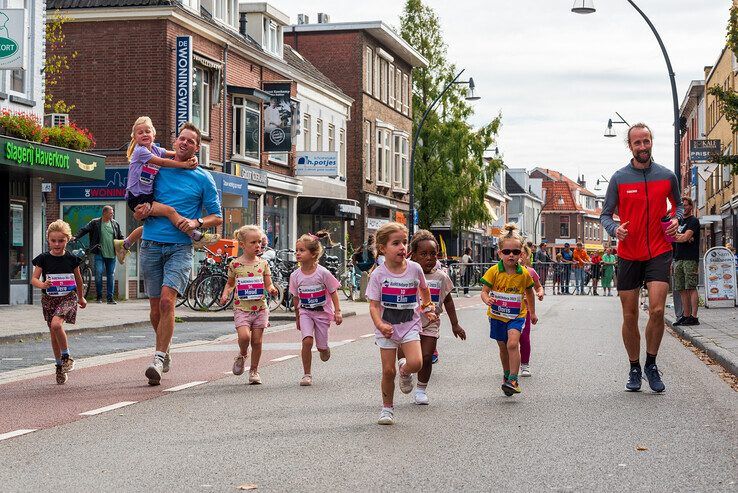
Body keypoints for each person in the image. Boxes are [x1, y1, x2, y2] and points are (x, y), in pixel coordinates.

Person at [135, 123, 224, 386]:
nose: (184, 143)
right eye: (181, 139)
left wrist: (196, 222)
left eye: (190, 141)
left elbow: (217, 217)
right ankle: (165, 348)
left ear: (197, 148)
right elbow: (139, 197)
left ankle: (159, 358)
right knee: (154, 308)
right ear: (174, 143)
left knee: (166, 301)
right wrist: (139, 210)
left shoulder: (203, 178)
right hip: (150, 243)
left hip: (179, 248)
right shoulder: (157, 167)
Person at [601, 123, 682, 393]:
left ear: (651, 142)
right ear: (630, 146)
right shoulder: (619, 178)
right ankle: (634, 367)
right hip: (629, 253)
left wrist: (676, 219)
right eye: (637, 143)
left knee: (658, 310)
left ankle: (651, 364)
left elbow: (679, 205)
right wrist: (615, 229)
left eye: (646, 141)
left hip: (659, 250)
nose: (643, 147)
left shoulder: (667, 176)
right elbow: (605, 214)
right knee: (629, 314)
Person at [116, 117, 220, 262]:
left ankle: (125, 243)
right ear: (175, 141)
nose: (144, 134)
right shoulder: (142, 153)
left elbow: (170, 154)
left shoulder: (156, 150)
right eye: (140, 133)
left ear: (154, 134)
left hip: (179, 247)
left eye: (147, 131)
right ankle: (196, 236)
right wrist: (184, 164)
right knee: (169, 211)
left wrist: (193, 159)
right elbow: (163, 161)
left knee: (163, 215)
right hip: (138, 199)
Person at [366, 222, 437, 425]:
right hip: (387, 327)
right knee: (388, 371)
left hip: (409, 325)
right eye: (395, 243)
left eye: (404, 242)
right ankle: (387, 409)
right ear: (382, 248)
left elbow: (424, 290)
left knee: (416, 362)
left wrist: (427, 308)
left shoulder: (415, 269)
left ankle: (405, 371)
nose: (402, 247)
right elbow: (373, 306)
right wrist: (380, 325)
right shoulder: (378, 274)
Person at [405, 229, 466, 405]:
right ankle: (406, 371)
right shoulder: (408, 273)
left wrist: (455, 325)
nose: (429, 258)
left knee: (426, 356)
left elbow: (448, 301)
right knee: (409, 359)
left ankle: (421, 390)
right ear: (414, 255)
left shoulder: (441, 277)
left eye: (433, 254)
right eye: (423, 254)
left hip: (430, 323)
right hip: (408, 322)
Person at [480, 223, 537, 396]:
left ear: (521, 253)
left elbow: (530, 292)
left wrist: (532, 312)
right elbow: (484, 292)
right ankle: (506, 375)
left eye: (515, 252)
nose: (511, 255)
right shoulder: (493, 271)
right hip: (497, 316)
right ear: (500, 253)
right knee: (503, 347)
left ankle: (514, 379)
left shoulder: (524, 274)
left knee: (513, 343)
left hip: (516, 315)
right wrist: (487, 299)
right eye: (507, 252)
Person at [220, 225, 279, 385]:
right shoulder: (235, 264)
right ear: (243, 245)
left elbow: (268, 284)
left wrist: (272, 290)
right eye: (253, 242)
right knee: (245, 337)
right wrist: (225, 294)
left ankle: (254, 370)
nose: (257, 246)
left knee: (258, 341)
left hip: (260, 308)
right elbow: (230, 283)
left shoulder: (263, 264)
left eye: (259, 242)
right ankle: (242, 353)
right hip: (242, 308)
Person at [31, 220, 87, 384]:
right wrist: (42, 284)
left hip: (67, 297)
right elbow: (34, 279)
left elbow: (78, 279)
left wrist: (81, 297)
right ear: (48, 240)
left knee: (56, 325)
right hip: (49, 299)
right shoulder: (43, 258)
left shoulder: (71, 259)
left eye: (61, 241)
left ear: (67, 240)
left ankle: (66, 356)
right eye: (53, 240)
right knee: (53, 333)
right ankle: (59, 366)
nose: (57, 244)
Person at [289, 233, 343, 387]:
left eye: (302, 250)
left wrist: (337, 311)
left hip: (322, 313)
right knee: (307, 341)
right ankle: (307, 374)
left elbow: (333, 291)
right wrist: (298, 316)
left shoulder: (323, 273)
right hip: (305, 312)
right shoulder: (295, 276)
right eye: (296, 250)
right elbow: (295, 297)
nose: (298, 253)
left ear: (313, 254)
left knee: (321, 347)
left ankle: (324, 349)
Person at [72, 205, 124, 304]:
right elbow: (84, 229)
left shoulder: (115, 224)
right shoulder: (95, 222)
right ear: (104, 213)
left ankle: (110, 298)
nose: (112, 214)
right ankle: (99, 297)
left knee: (111, 275)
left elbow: (120, 236)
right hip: (99, 252)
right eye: (110, 212)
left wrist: (125, 243)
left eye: (112, 212)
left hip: (112, 254)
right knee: (99, 274)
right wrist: (76, 237)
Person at [672, 197, 701, 326]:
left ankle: (694, 317)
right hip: (678, 258)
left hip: (690, 258)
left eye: (685, 205)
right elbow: (675, 237)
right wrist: (681, 238)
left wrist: (678, 237)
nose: (683, 208)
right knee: (681, 288)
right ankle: (686, 315)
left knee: (691, 287)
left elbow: (685, 237)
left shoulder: (693, 221)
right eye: (681, 206)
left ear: (691, 206)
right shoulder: (678, 221)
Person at [519, 242, 545, 377]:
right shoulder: (502, 271)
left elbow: (538, 286)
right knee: (506, 341)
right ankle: (509, 365)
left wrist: (540, 292)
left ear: (526, 256)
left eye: (522, 253)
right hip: (506, 311)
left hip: (525, 310)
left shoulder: (530, 271)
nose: (519, 255)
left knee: (524, 338)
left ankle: (524, 364)